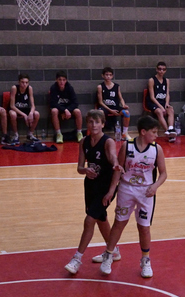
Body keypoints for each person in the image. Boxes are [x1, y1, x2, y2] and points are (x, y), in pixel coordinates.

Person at [98, 115, 167, 278]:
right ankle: (109, 255)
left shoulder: (157, 149)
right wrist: (111, 190)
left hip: (146, 191)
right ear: (143, 132)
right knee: (119, 223)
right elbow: (118, 170)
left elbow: (164, 173)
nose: (156, 135)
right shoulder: (127, 146)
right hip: (126, 189)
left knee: (144, 227)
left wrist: (155, 186)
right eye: (153, 132)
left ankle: (145, 260)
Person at [64, 110, 123, 275]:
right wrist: (85, 170)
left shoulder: (108, 141)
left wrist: (115, 164)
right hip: (90, 185)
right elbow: (79, 167)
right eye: (90, 122)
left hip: (106, 186)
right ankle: (114, 251)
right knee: (100, 219)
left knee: (89, 220)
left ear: (103, 124)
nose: (94, 125)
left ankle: (77, 258)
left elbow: (112, 157)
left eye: (97, 122)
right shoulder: (84, 141)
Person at [96, 66, 132, 142]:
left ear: (112, 76)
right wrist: (110, 110)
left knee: (126, 113)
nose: (108, 76)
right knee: (100, 112)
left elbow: (121, 98)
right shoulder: (100, 86)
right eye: (106, 75)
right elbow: (100, 102)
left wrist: (123, 105)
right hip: (105, 107)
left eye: (110, 75)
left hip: (115, 107)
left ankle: (125, 133)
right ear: (103, 76)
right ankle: (99, 133)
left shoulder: (116, 86)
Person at [146, 61, 177, 142]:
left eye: (163, 69)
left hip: (163, 102)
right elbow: (152, 97)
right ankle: (168, 132)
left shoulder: (166, 80)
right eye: (159, 69)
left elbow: (167, 94)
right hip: (153, 102)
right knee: (159, 111)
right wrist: (161, 107)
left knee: (170, 110)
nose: (161, 71)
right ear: (156, 69)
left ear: (165, 71)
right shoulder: (152, 80)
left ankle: (171, 129)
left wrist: (166, 104)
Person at [49, 71, 83, 144]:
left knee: (78, 111)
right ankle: (58, 134)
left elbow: (75, 103)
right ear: (56, 80)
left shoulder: (70, 88)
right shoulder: (53, 88)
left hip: (69, 109)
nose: (62, 82)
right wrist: (64, 110)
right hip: (60, 109)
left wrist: (68, 110)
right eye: (60, 80)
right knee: (54, 111)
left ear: (66, 80)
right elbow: (53, 103)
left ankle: (79, 133)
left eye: (63, 80)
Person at [8, 74, 40, 144]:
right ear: (19, 82)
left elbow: (33, 105)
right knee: (13, 114)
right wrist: (24, 115)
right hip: (15, 109)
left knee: (36, 114)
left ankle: (30, 134)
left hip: (25, 109)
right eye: (22, 82)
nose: (24, 84)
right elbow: (12, 106)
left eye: (26, 82)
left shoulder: (29, 88)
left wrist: (31, 113)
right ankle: (16, 135)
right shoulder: (14, 88)